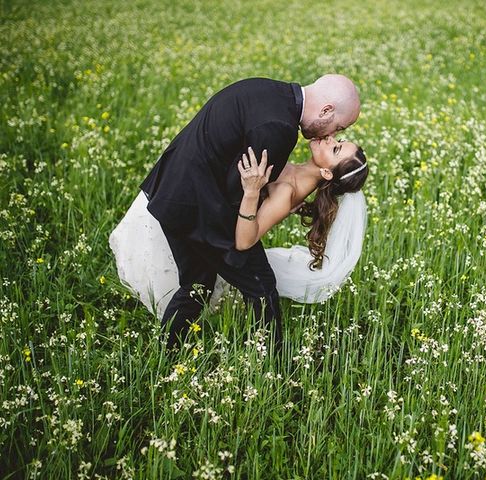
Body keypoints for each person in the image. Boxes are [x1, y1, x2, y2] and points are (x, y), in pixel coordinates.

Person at [124, 75, 361, 351]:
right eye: (338, 127)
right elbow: (240, 196)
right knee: (260, 285)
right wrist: (255, 199)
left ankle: (165, 351)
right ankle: (273, 361)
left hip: (175, 187)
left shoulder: (269, 90)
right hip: (198, 203)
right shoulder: (279, 128)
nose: (330, 134)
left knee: (197, 285)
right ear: (326, 111)